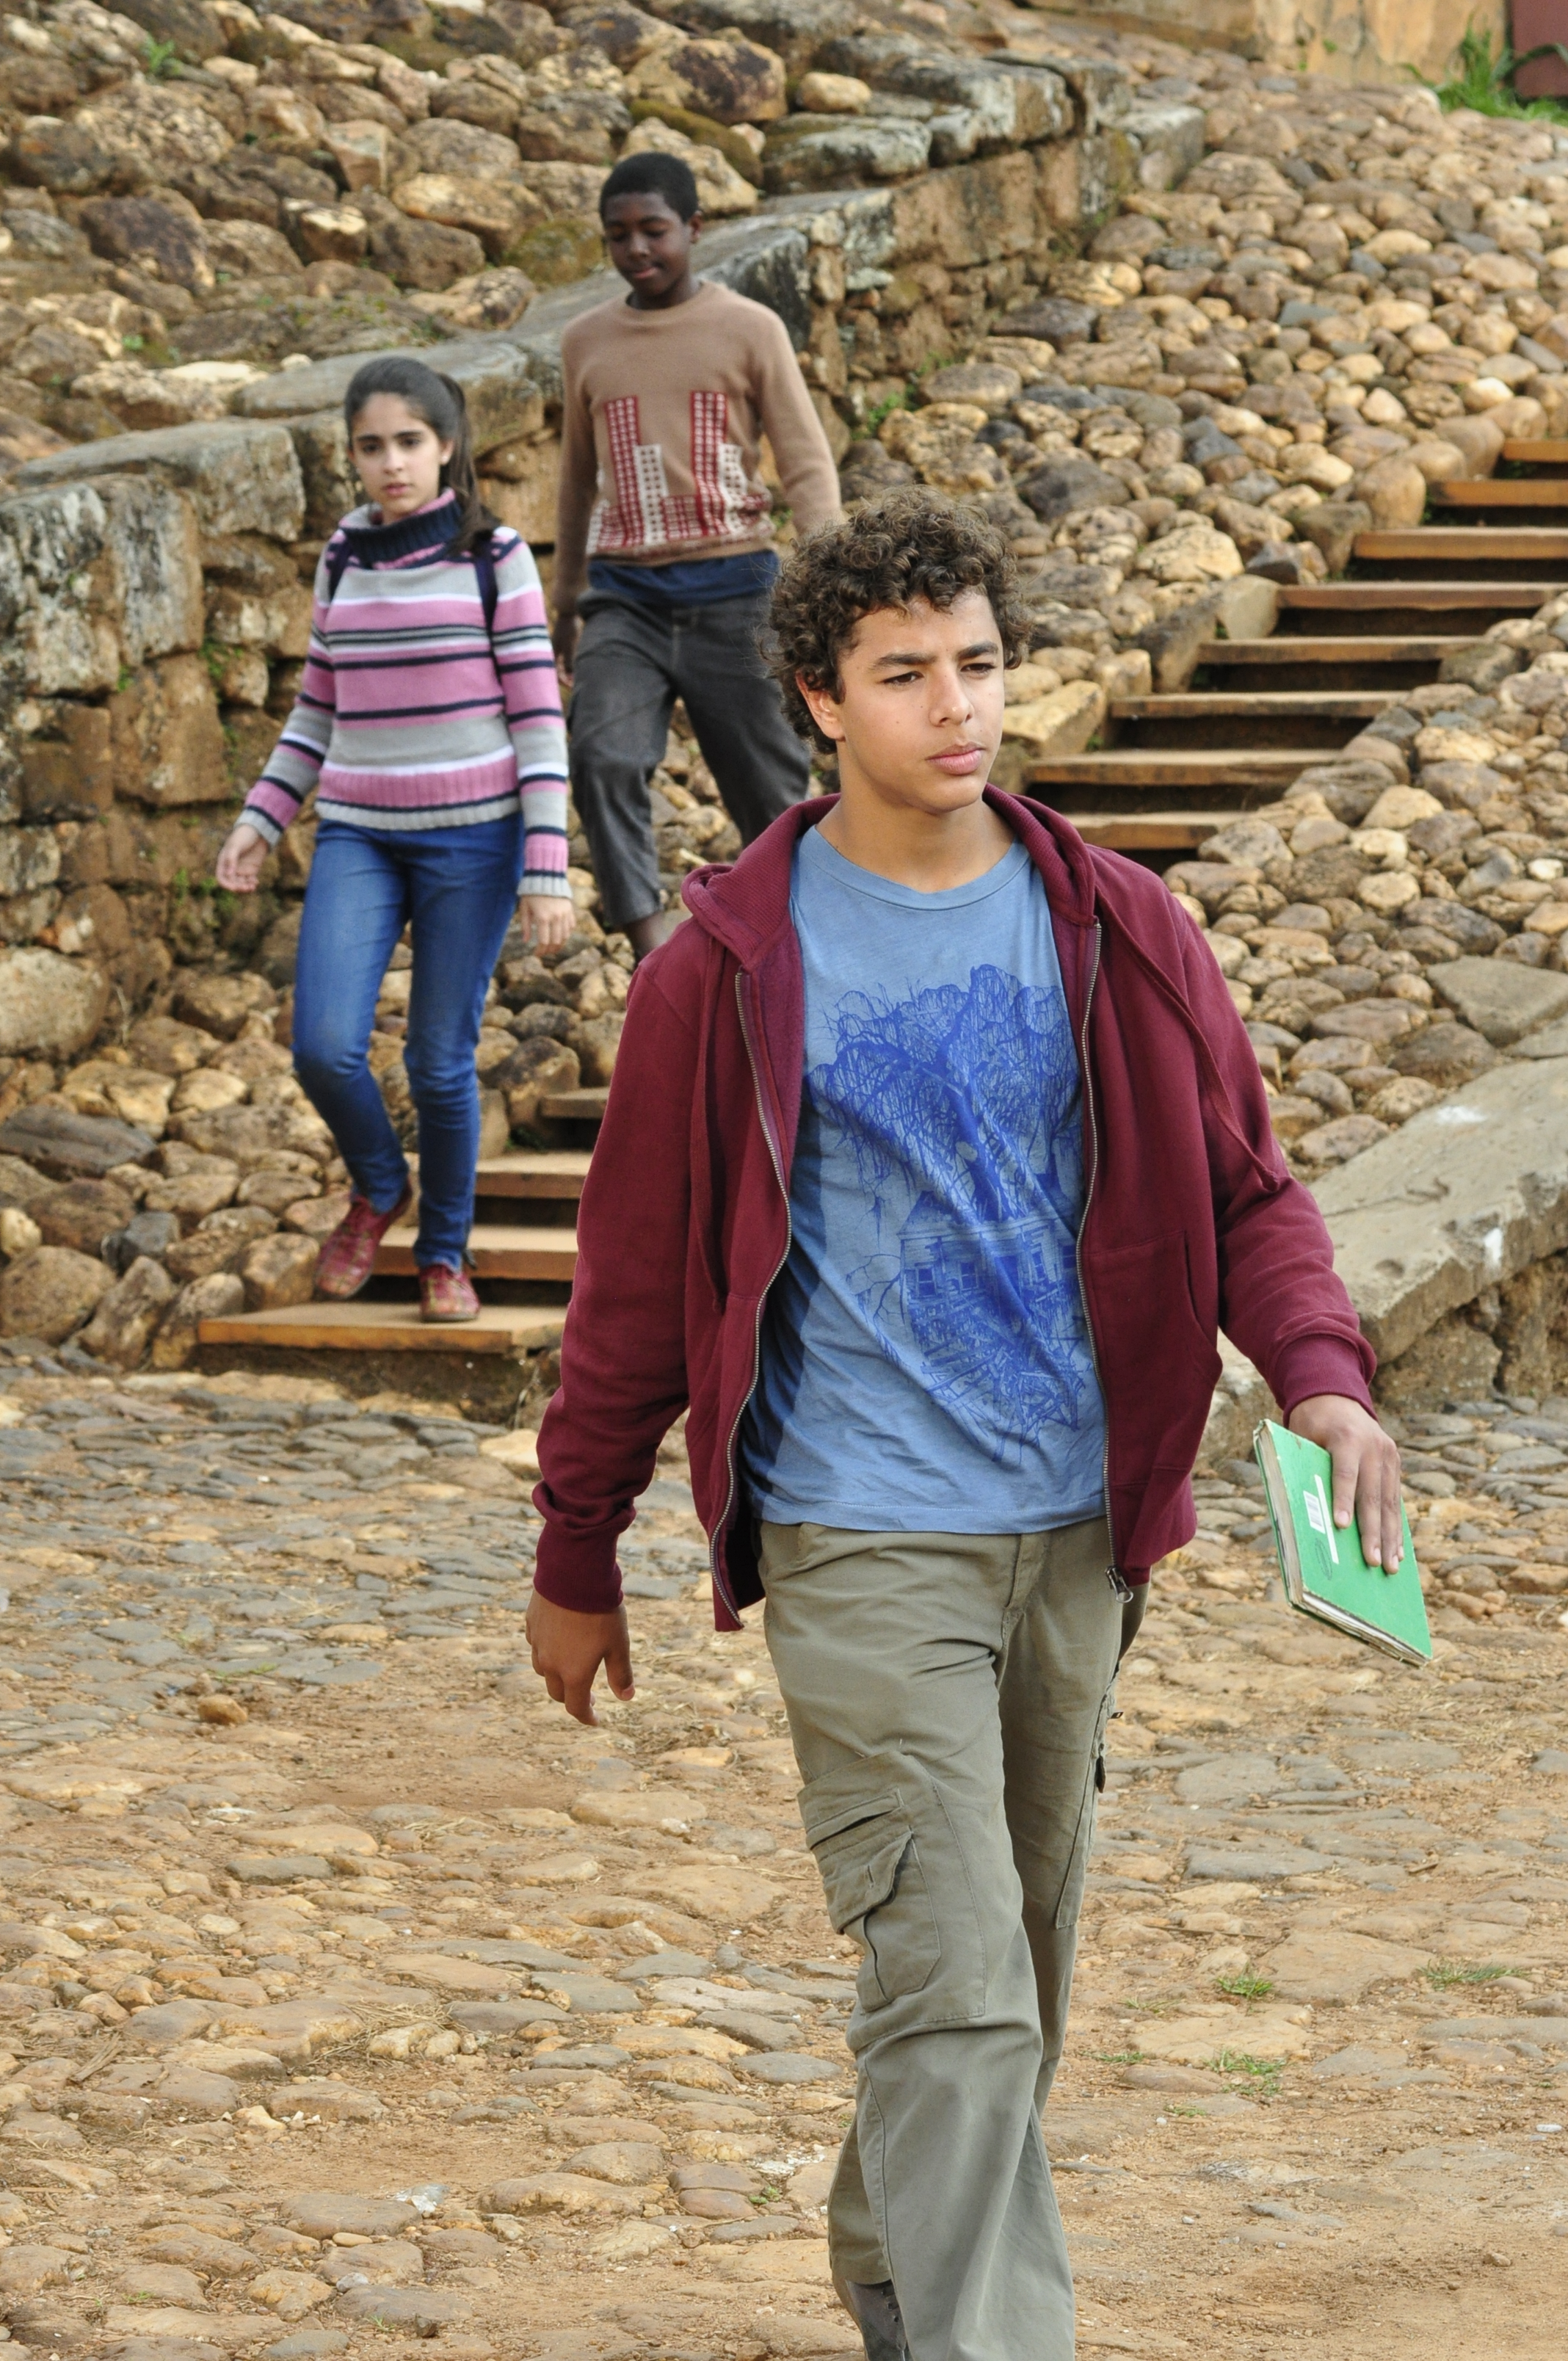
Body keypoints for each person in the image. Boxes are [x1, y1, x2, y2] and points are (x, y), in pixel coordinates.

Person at [525, 491, 1404, 2357]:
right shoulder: (723, 968)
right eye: (906, 673)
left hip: (1078, 1531)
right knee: (962, 1978)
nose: (958, 707)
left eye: (981, 664)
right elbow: (632, 1289)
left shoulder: (1121, 928)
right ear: (819, 700)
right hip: (858, 1530)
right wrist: (576, 1545)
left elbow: (1249, 1193)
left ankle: (892, 2255)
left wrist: (1321, 1379)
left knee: (1018, 1972)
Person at [215, 355, 570, 1324]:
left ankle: (444, 1253)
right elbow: (316, 710)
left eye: (409, 442)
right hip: (359, 832)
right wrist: (261, 819)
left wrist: (547, 866)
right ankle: (381, 1187)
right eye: (371, 447)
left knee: (438, 1062)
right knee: (324, 1046)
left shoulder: (495, 557)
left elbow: (539, 720)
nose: (391, 463)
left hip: (477, 841)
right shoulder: (344, 556)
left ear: (447, 445)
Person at [554, 149, 842, 962]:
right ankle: (652, 949)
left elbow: (806, 463)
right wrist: (566, 600)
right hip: (625, 597)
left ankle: (789, 947)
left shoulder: (749, 329)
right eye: (618, 236)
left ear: (694, 228)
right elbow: (575, 478)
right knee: (602, 754)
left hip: (737, 586)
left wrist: (828, 587)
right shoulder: (585, 341)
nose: (637, 249)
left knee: (769, 786)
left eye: (654, 230)